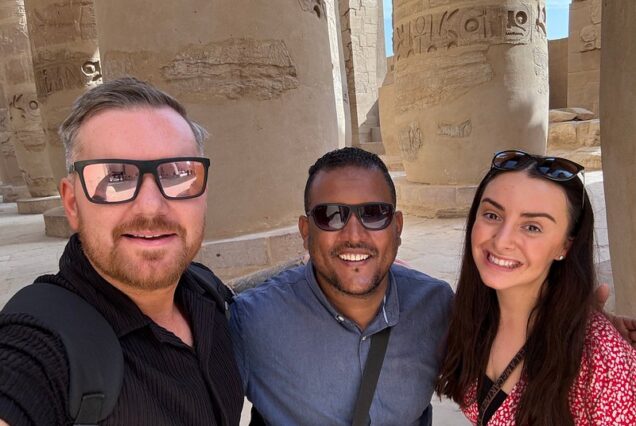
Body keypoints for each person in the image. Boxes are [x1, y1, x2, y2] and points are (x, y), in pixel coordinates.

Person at [0, 78, 243, 425]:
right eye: (115, 178)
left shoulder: (207, 293)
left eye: (177, 174)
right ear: (72, 203)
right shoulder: (40, 344)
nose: (151, 207)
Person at [229, 147, 455, 425]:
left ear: (397, 227)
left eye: (374, 214)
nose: (354, 236)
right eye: (331, 215)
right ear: (306, 231)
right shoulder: (252, 321)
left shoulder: (435, 306)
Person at [435, 150, 636, 425]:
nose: (502, 241)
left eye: (532, 227)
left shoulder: (601, 360)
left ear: (566, 245)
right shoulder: (469, 315)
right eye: (492, 215)